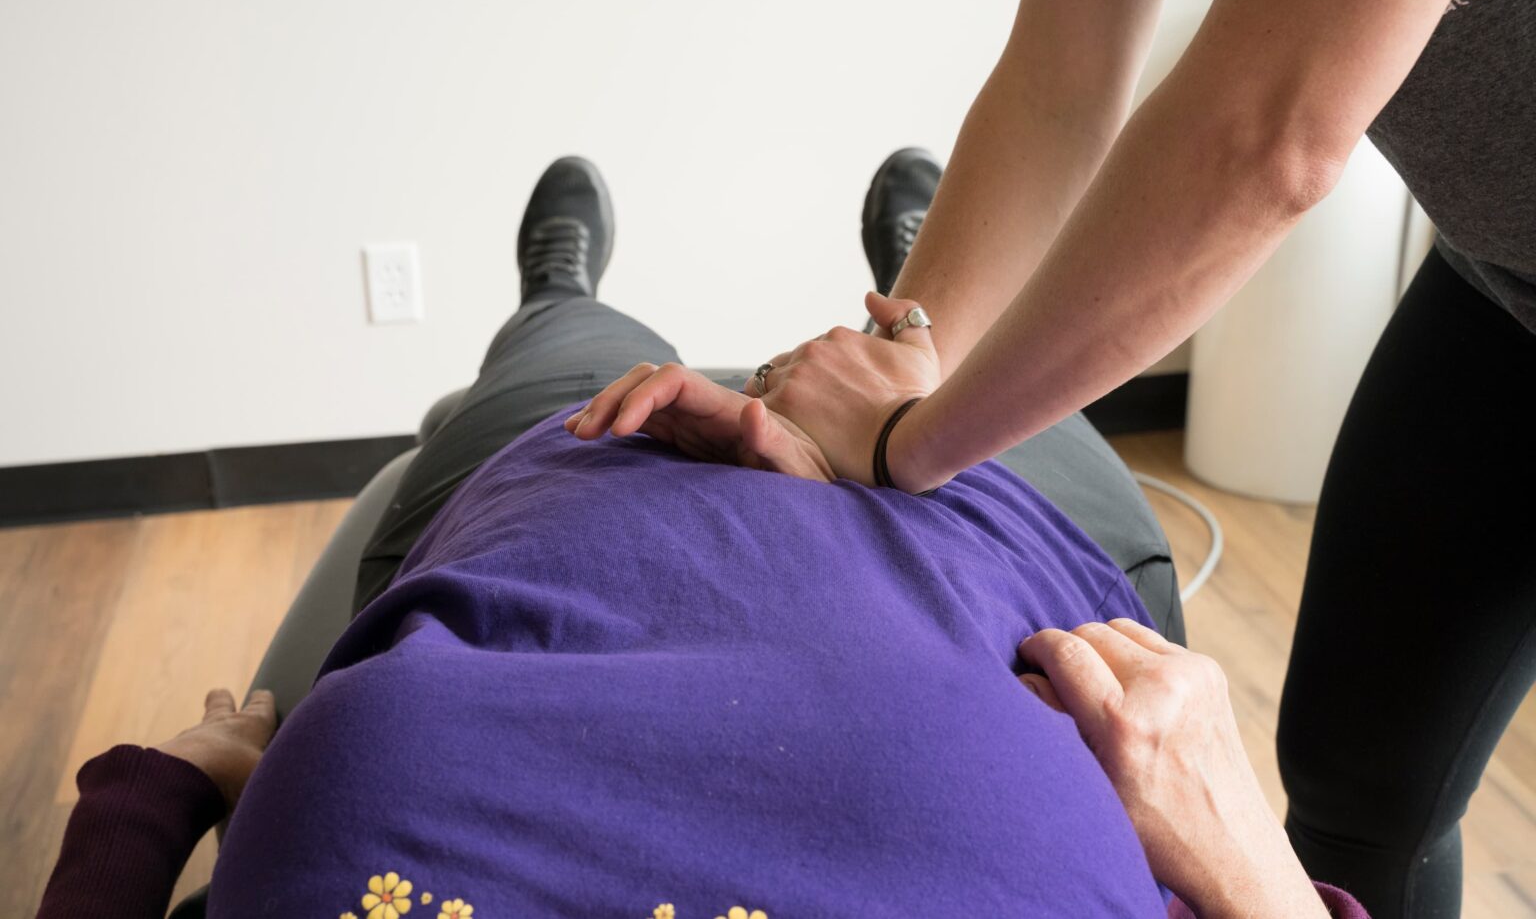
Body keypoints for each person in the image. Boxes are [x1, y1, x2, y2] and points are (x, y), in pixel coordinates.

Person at [37, 158, 1362, 918]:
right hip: (955, 529)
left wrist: (163, 785)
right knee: (945, 364)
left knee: (574, 356)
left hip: (564, 492)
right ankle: (918, 302)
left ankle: (560, 294)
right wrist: (1256, 864)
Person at [652, 0, 1535, 916]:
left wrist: (910, 442)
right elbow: (1059, 80)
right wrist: (912, 347)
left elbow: (1269, 136)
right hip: (1503, 284)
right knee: (1360, 784)